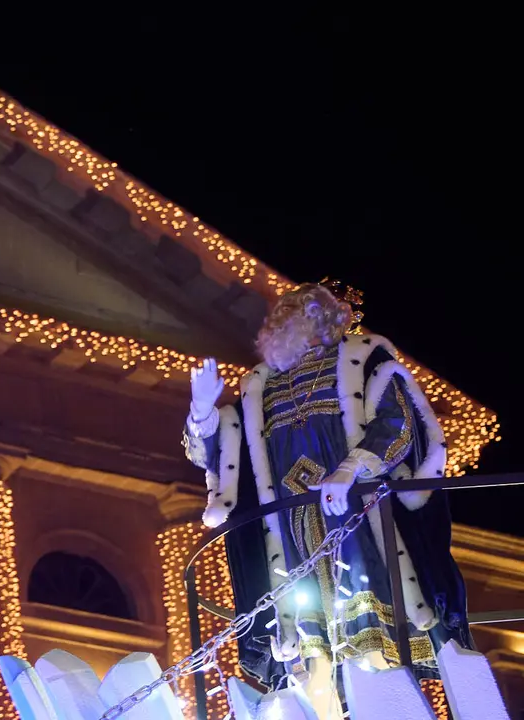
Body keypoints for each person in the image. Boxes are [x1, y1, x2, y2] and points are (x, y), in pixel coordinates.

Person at [183, 279, 472, 717]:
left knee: (370, 640)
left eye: (305, 315)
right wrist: (202, 410)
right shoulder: (260, 390)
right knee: (310, 655)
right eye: (285, 318)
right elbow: (220, 456)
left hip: (357, 522)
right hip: (292, 534)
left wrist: (350, 469)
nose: (290, 325)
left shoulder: (362, 361)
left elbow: (397, 424)